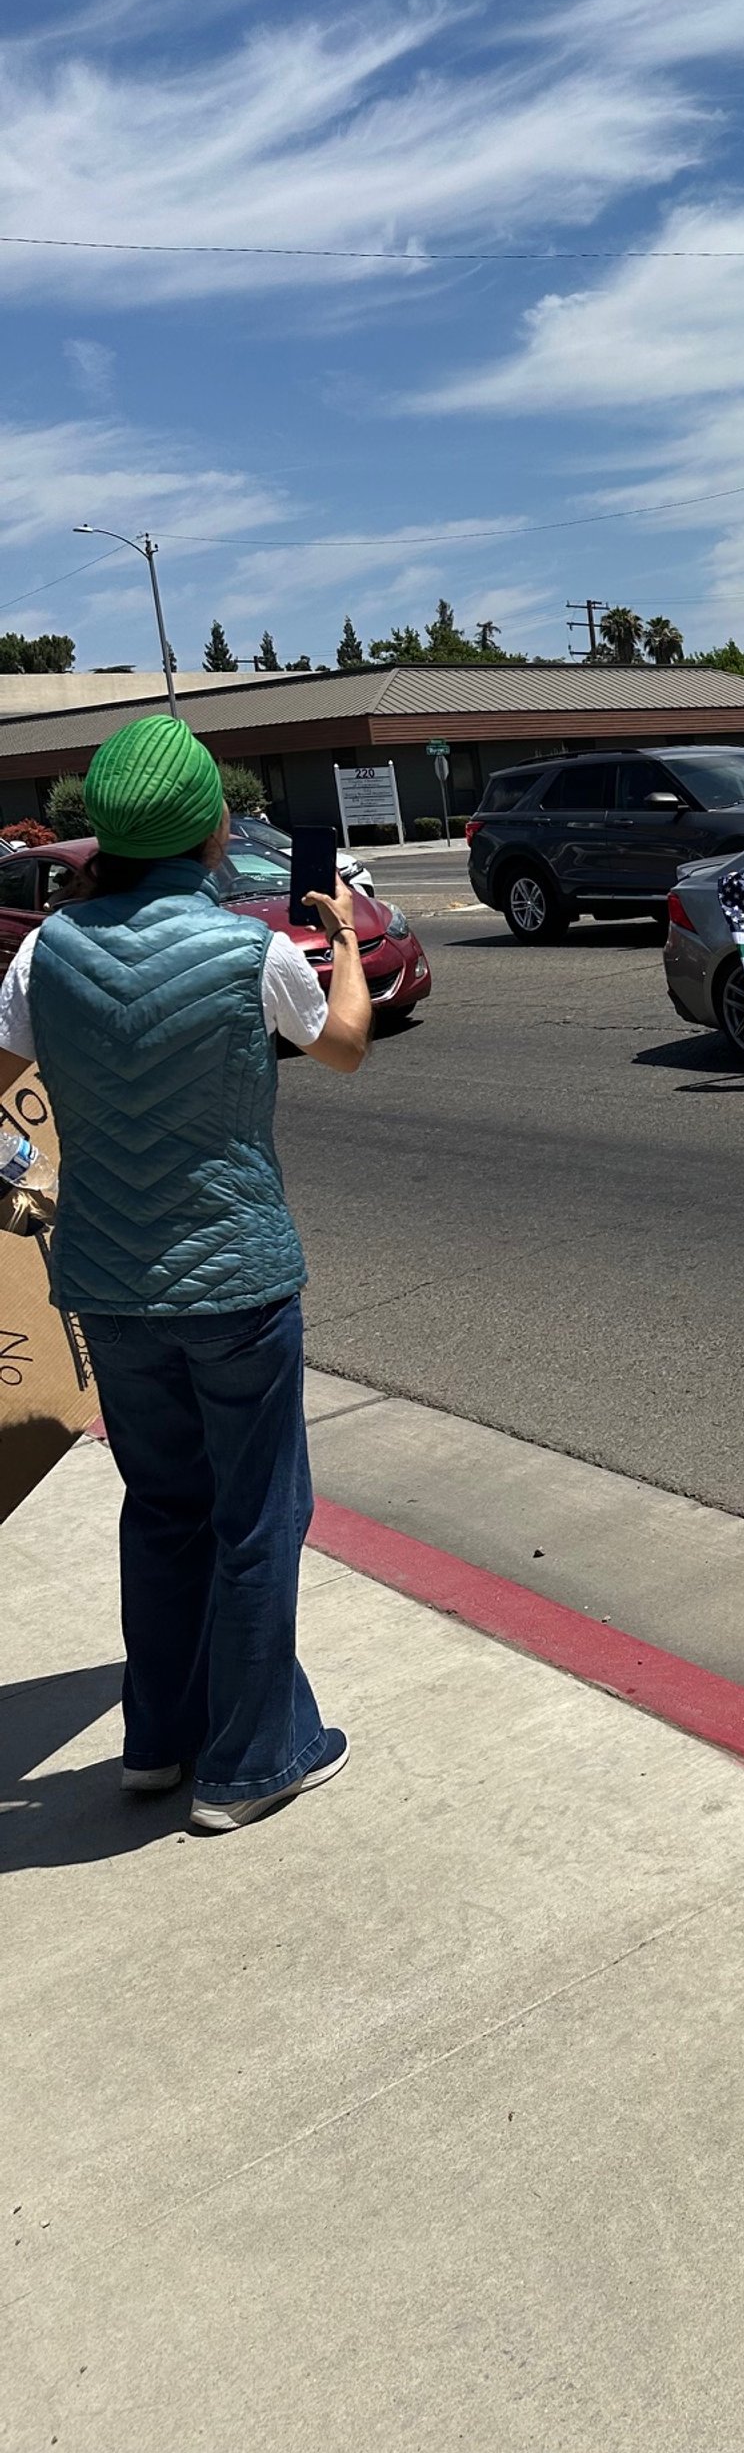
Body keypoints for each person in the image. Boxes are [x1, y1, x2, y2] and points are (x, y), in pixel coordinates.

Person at [0, 716, 372, 1832]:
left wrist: (18, 1165)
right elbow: (345, 1042)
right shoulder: (246, 950)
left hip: (108, 1286)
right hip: (236, 1283)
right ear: (205, 830)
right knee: (258, 1518)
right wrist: (341, 939)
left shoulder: (42, 953)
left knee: (163, 1508)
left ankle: (156, 1739)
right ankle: (255, 1760)